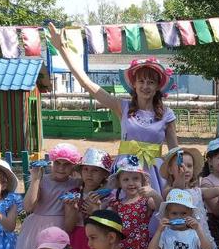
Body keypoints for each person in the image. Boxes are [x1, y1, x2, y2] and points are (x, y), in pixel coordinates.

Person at [46, 24, 178, 192]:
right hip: (124, 172)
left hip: (154, 174)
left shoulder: (167, 114)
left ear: (157, 86)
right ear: (134, 84)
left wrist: (182, 177)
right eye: (141, 81)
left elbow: (175, 152)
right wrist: (62, 49)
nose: (145, 86)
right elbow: (86, 84)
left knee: (153, 206)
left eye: (151, 82)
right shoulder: (122, 106)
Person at [13, 143, 82, 249]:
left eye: (67, 164)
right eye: (57, 163)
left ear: (73, 166)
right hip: (37, 228)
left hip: (61, 229)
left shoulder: (76, 183)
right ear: (52, 162)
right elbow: (28, 206)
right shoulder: (42, 180)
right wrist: (35, 179)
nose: (61, 168)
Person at [106, 154, 162, 249]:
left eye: (135, 178)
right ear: (119, 183)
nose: (131, 183)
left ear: (142, 181)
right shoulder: (116, 204)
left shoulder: (146, 201)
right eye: (126, 179)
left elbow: (161, 208)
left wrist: (154, 193)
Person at [64, 148, 113, 249]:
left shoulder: (110, 197)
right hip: (76, 241)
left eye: (95, 170)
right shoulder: (73, 194)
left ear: (105, 174)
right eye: (85, 169)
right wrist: (73, 210)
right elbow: (68, 227)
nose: (89, 174)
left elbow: (108, 229)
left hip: (98, 242)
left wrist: (96, 212)